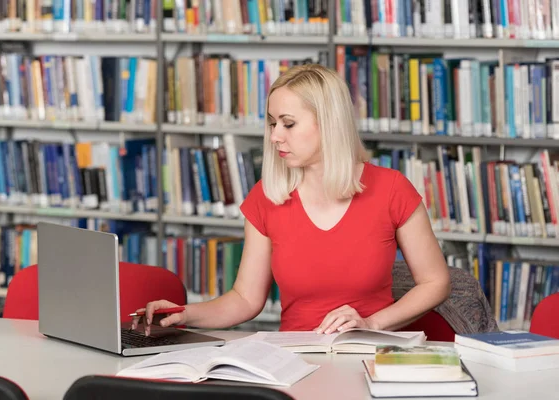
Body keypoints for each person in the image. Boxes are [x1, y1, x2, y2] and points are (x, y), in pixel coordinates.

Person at [132, 63, 451, 336]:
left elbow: (435, 282)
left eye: (288, 123)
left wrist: (370, 323)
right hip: (296, 360)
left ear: (328, 123)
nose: (274, 137)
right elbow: (245, 298)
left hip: (369, 355)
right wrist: (185, 314)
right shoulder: (267, 196)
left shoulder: (391, 188)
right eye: (272, 123)